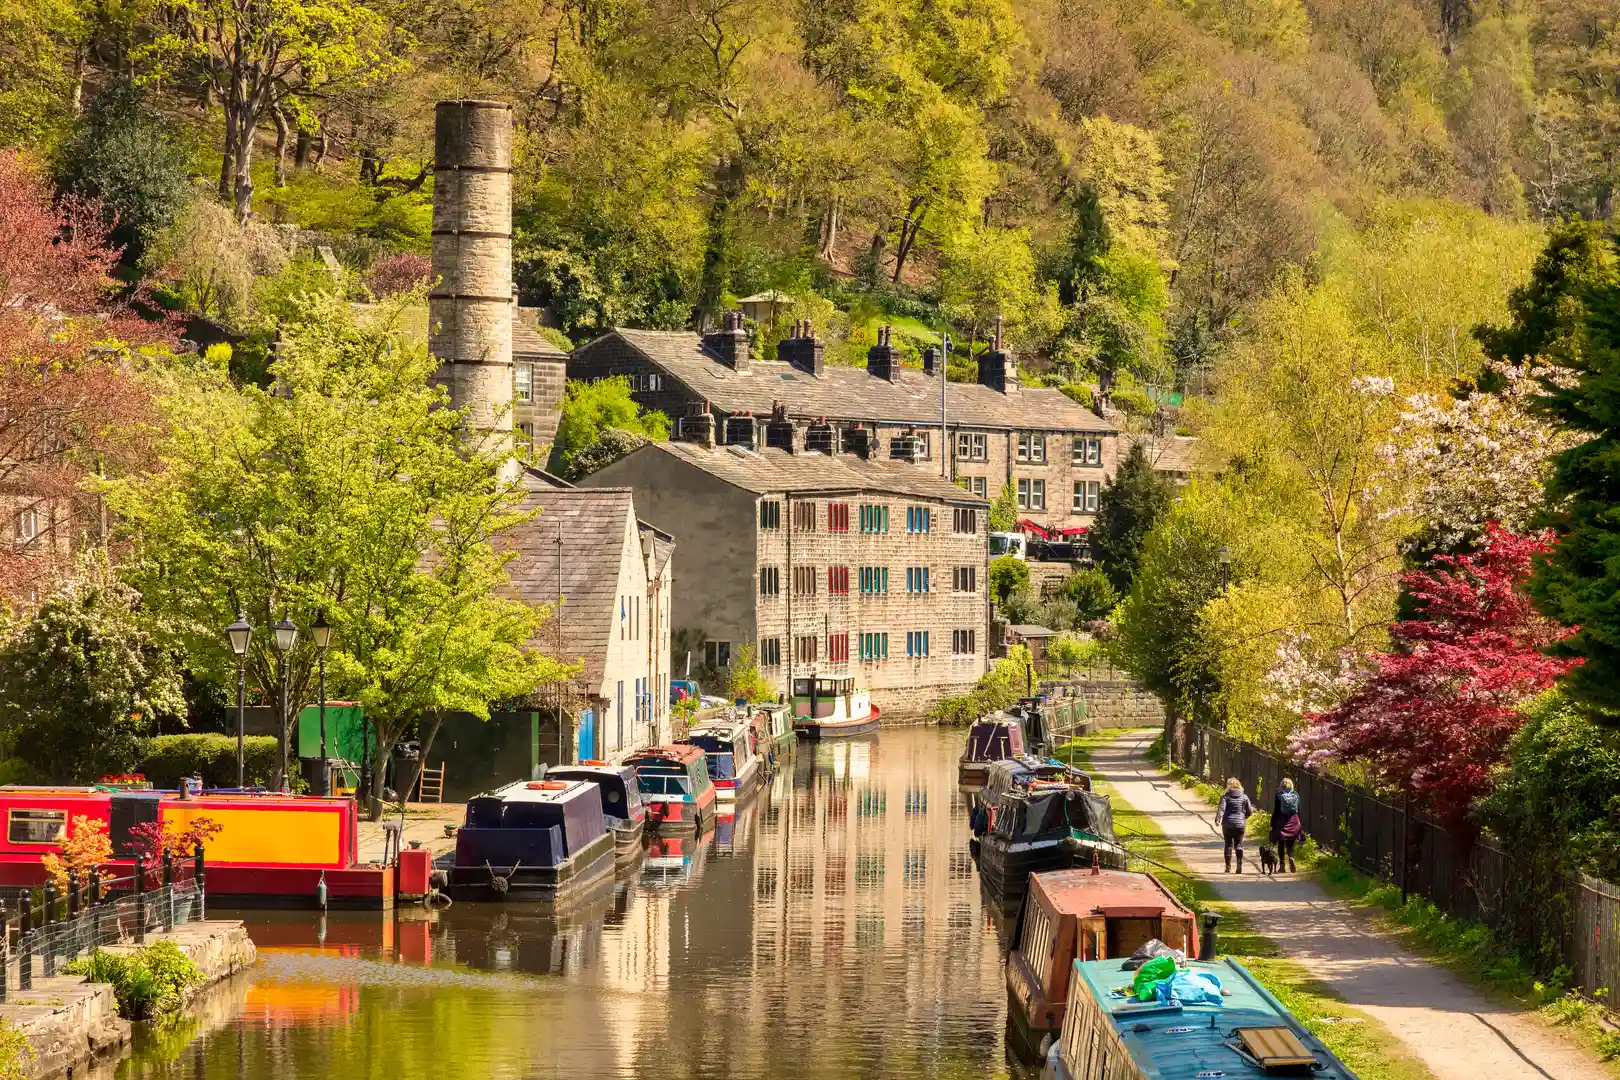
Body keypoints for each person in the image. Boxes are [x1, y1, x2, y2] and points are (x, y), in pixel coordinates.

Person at [1216, 778, 1254, 873]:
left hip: (1227, 824)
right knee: (1239, 844)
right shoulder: (1244, 797)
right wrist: (1243, 817)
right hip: (1240, 824)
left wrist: (1218, 819)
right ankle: (1239, 862)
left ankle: (1228, 866)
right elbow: (1250, 811)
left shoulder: (1225, 797)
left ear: (1228, 786)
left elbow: (1221, 809)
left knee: (1228, 844)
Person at [1271, 777, 1303, 873]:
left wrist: (1272, 823)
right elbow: (1298, 809)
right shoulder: (1295, 794)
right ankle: (1291, 857)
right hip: (1293, 820)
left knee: (1281, 844)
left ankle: (1282, 866)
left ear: (1281, 785)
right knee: (1290, 844)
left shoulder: (1279, 795)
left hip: (1281, 822)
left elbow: (1276, 811)